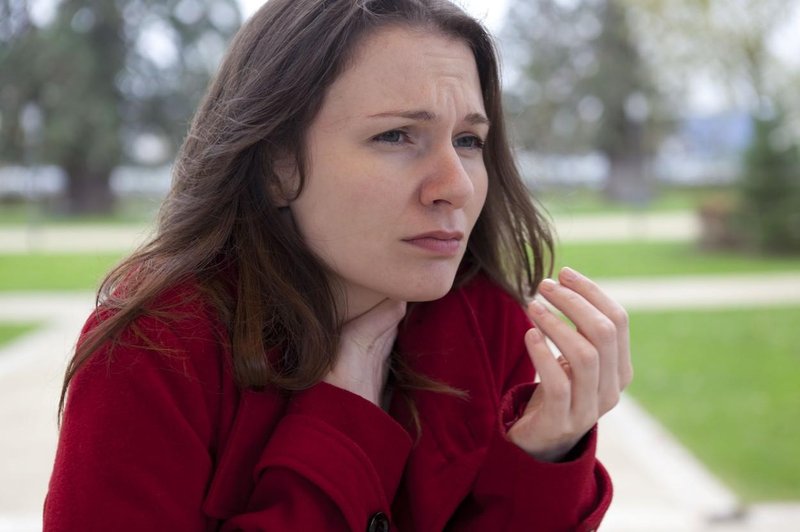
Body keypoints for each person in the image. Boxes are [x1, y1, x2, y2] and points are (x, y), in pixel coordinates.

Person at [44, 0, 632, 530]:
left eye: (469, 141)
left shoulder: (489, 324)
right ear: (277, 164)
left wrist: (544, 453)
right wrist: (342, 421)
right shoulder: (160, 349)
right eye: (397, 135)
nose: (454, 186)